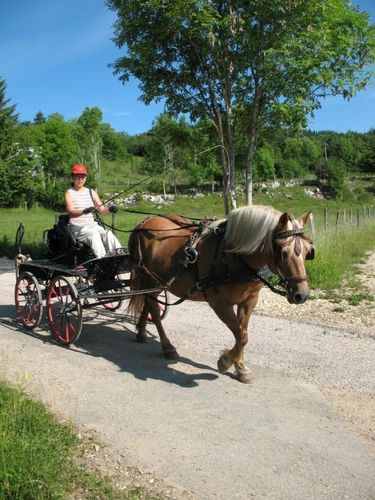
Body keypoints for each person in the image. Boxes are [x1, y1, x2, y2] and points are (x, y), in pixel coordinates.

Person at [65, 164, 122, 258]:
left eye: (82, 176)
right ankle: (103, 259)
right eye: (77, 176)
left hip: (92, 226)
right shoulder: (69, 193)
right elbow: (71, 212)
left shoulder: (91, 192)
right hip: (77, 228)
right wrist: (84, 211)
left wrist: (110, 209)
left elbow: (103, 211)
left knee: (108, 234)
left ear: (85, 178)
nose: (80, 178)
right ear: (72, 177)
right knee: (93, 234)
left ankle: (119, 256)